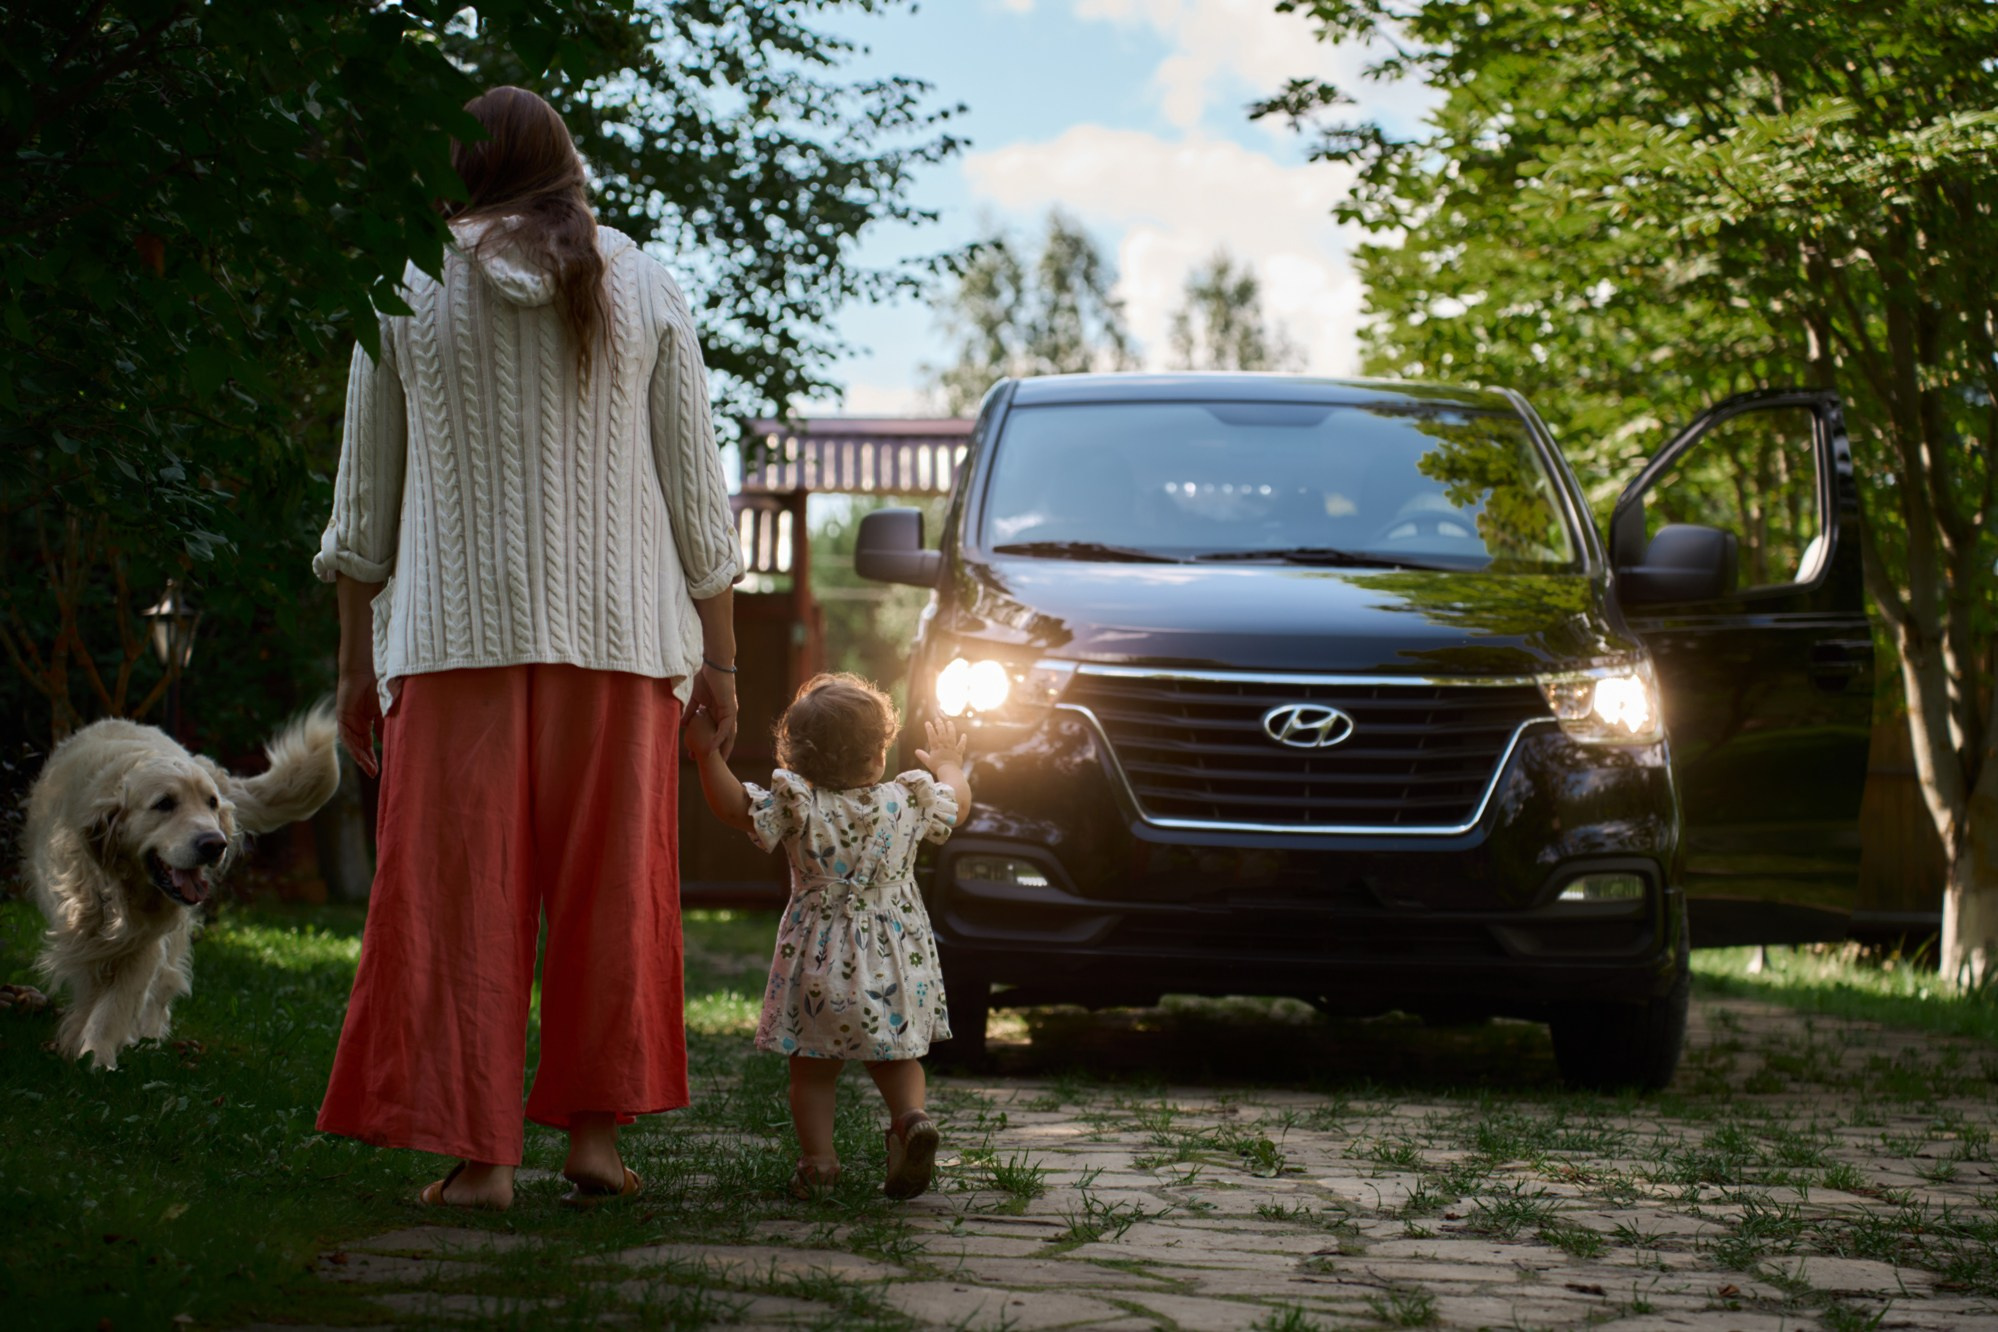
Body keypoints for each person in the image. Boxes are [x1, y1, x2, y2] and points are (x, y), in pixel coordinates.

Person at [311, 86, 742, 1211]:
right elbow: (699, 498)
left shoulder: (401, 285)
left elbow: (365, 505)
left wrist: (357, 664)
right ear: (566, 164)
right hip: (623, 643)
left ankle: (480, 1161)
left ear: (459, 165)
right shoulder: (641, 281)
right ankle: (593, 1146)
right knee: (614, 892)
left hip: (455, 645)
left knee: (456, 897)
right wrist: (724, 660)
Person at [683, 675, 969, 1200]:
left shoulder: (799, 804)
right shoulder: (907, 799)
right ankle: (910, 1120)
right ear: (878, 752)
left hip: (821, 961)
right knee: (897, 1054)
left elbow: (734, 809)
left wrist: (706, 756)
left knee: (813, 1069)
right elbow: (960, 804)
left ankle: (819, 1163)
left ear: (799, 757)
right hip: (894, 963)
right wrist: (948, 761)